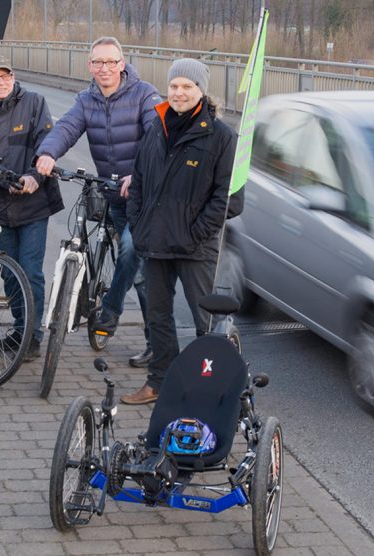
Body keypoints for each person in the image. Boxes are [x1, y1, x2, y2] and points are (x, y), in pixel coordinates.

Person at [123, 58, 244, 404]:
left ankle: (216, 390)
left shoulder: (221, 137)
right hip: (155, 242)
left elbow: (230, 199)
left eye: (187, 87)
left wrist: (197, 232)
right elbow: (139, 181)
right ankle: (159, 382)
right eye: (174, 86)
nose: (178, 93)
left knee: (206, 323)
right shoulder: (156, 128)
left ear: (201, 91)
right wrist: (139, 223)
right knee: (158, 319)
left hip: (196, 246)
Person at [35, 36, 161, 368]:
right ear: (90, 66)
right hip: (113, 194)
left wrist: (141, 174)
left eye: (110, 62)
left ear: (122, 64)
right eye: (97, 62)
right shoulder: (86, 99)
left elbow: (157, 136)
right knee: (137, 272)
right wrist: (48, 153)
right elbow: (66, 127)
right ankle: (145, 336)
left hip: (146, 197)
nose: (104, 68)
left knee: (134, 252)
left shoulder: (144, 94)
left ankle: (114, 312)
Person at [0, 55, 63, 359]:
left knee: (30, 271)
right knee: (8, 272)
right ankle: (20, 328)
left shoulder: (34, 103)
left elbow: (47, 143)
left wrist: (34, 177)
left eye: (6, 77)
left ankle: (31, 336)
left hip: (34, 203)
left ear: (14, 78)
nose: (1, 82)